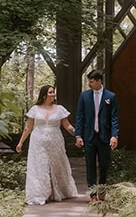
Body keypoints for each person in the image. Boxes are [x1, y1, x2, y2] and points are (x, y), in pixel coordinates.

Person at [16, 85, 78, 205]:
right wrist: (21, 142)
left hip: (55, 141)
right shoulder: (35, 109)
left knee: (56, 165)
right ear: (44, 95)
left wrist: (78, 135)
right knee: (40, 166)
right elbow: (28, 127)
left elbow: (67, 125)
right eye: (50, 92)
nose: (53, 94)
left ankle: (57, 191)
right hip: (37, 141)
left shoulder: (59, 109)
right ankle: (41, 193)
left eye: (53, 92)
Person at [75, 69, 119, 201]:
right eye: (89, 81)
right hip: (89, 136)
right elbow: (80, 117)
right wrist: (78, 135)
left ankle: (102, 190)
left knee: (104, 165)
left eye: (92, 81)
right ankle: (93, 194)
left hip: (104, 136)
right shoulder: (84, 96)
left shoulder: (110, 97)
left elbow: (114, 118)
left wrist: (114, 135)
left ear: (99, 81)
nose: (89, 84)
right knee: (90, 165)